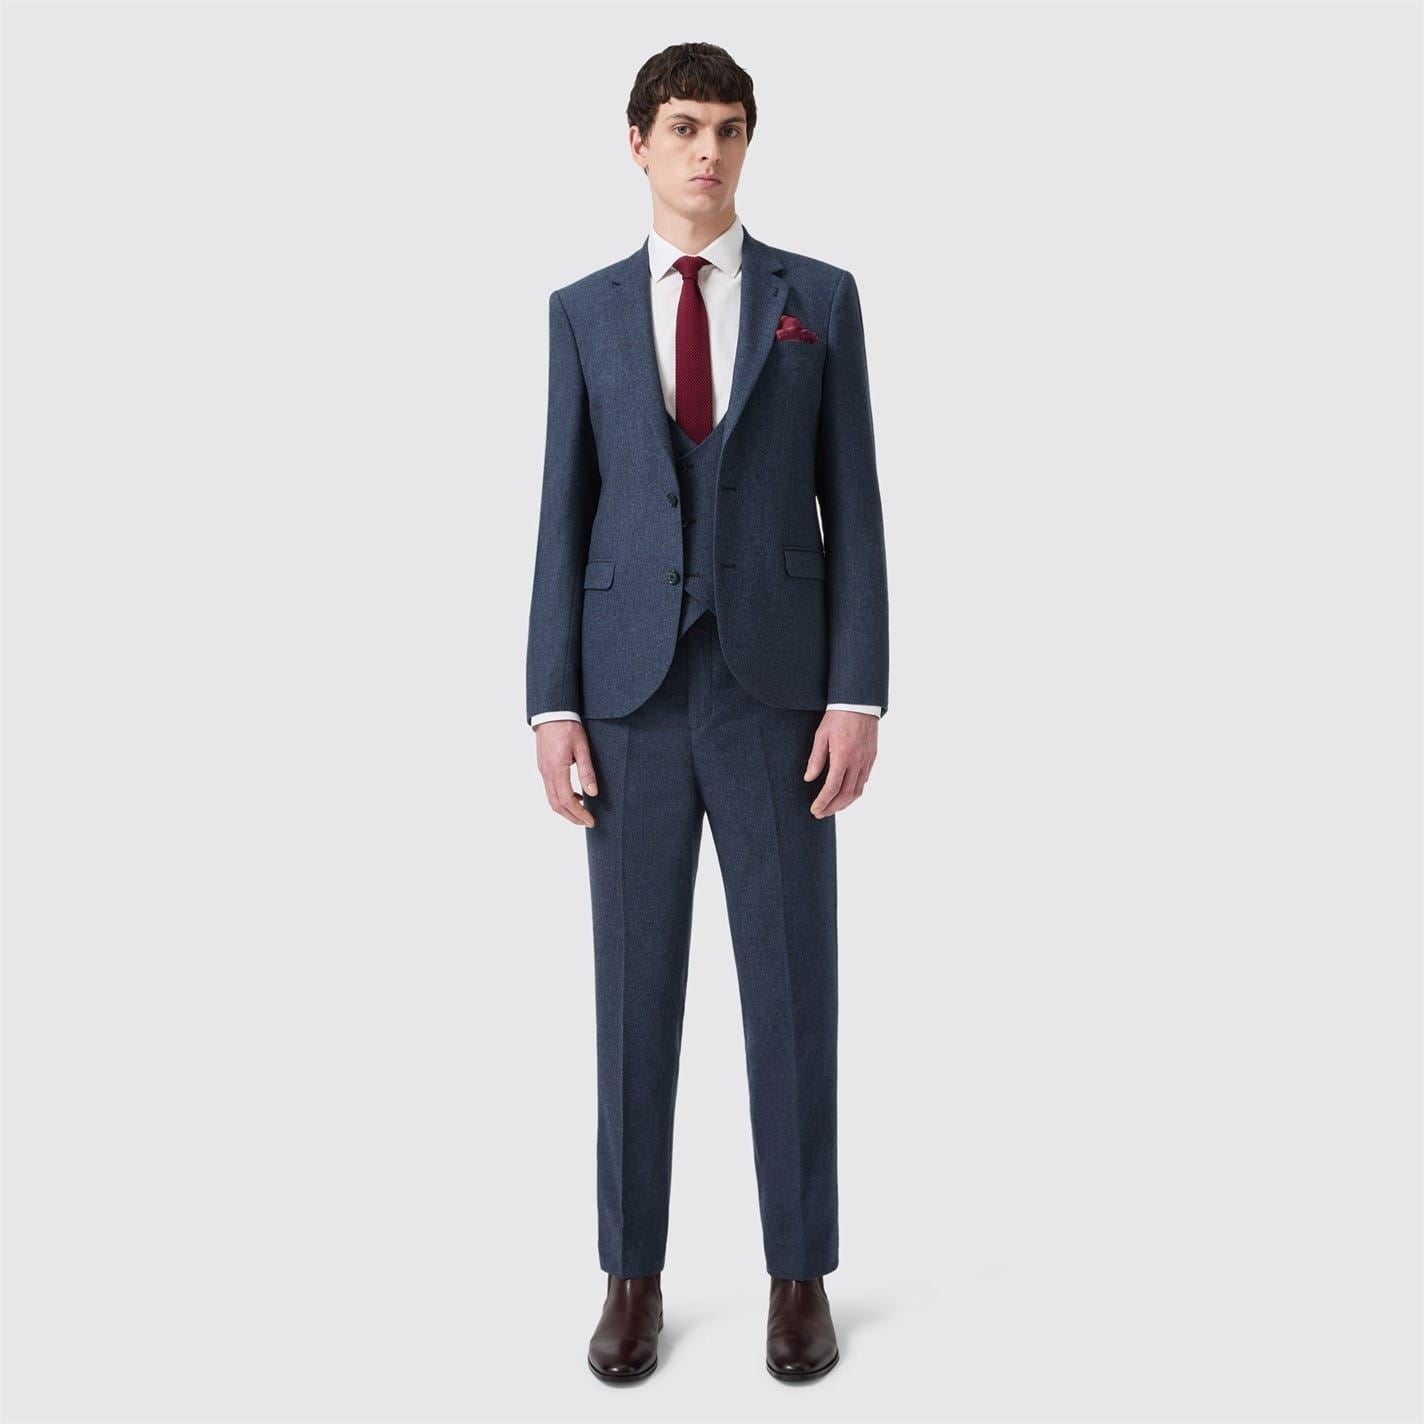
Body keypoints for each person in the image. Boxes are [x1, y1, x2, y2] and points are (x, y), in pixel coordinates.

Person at [524, 41, 889, 1383]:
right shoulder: (582, 312)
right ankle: (632, 1276)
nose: (708, 152)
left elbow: (854, 504)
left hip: (776, 695)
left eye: (729, 128)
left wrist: (856, 690)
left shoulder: (818, 300)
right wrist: (550, 701)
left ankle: (800, 1275)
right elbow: (562, 513)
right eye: (684, 127)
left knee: (791, 986)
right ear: (638, 142)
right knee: (633, 994)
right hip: (626, 695)